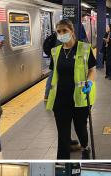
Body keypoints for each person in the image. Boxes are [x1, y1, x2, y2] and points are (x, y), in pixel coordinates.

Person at [46, 19, 96, 160]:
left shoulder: (85, 48)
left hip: (80, 98)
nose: (61, 34)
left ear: (72, 32)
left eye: (64, 31)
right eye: (59, 32)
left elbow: (92, 70)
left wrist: (90, 83)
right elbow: (53, 75)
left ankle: (85, 147)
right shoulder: (55, 52)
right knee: (63, 137)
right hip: (60, 100)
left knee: (80, 128)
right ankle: (62, 165)